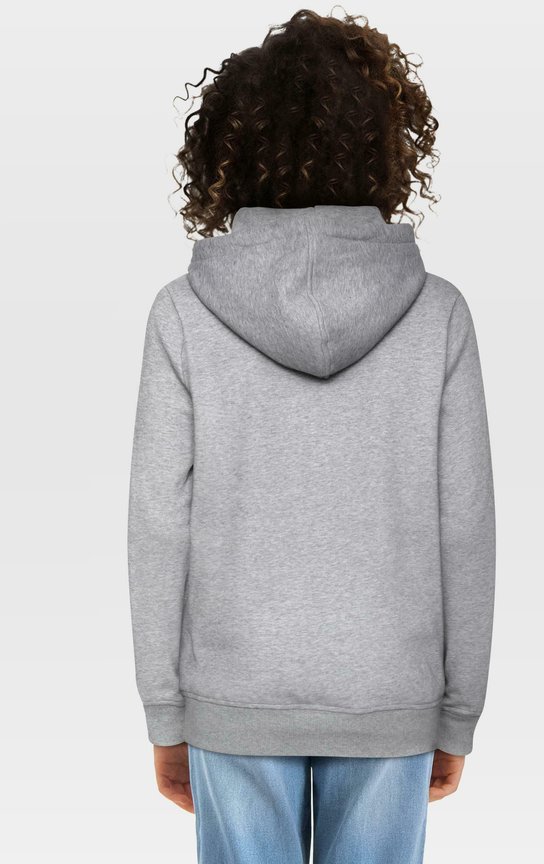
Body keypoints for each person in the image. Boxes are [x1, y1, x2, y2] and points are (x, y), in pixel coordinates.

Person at [127, 8, 496, 863]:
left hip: (233, 695)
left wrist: (166, 713)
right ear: (386, 148)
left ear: (228, 151)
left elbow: (157, 526)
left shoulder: (184, 314)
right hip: (391, 693)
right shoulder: (437, 315)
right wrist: (457, 713)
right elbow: (467, 525)